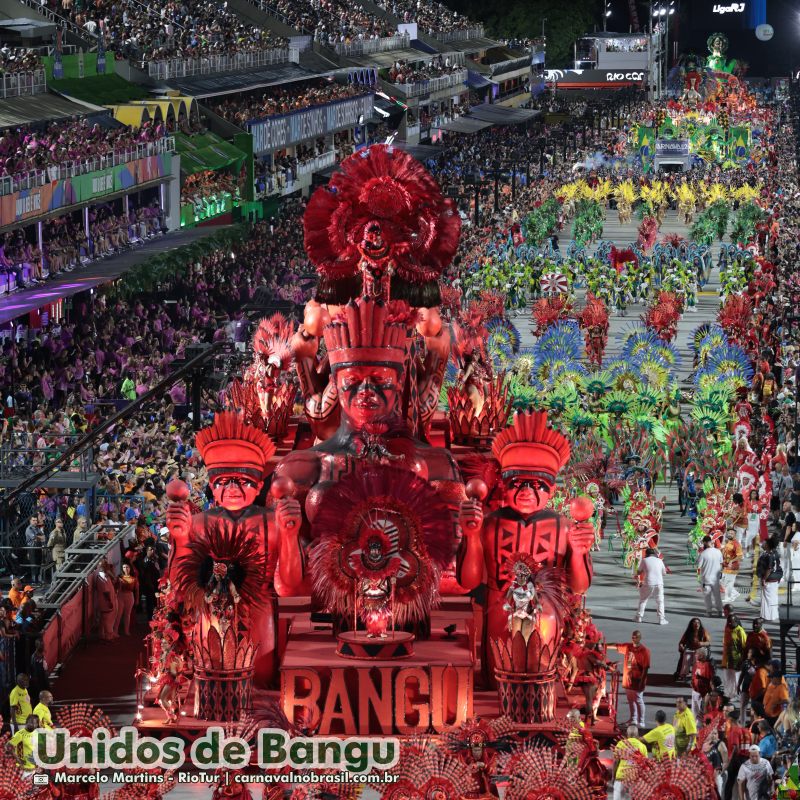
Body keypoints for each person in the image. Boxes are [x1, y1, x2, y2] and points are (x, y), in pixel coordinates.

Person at [608, 630, 650, 728]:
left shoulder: (644, 651)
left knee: (639, 699)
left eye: (636, 637)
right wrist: (604, 645)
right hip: (628, 680)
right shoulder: (628, 647)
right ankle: (633, 719)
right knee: (631, 700)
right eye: (633, 637)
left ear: (640, 638)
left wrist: (642, 681)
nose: (634, 639)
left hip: (637, 680)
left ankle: (641, 720)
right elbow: (616, 646)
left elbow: (646, 668)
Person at [612, 724, 647, 800]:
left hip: (621, 777)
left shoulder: (621, 744)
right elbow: (645, 766)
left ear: (627, 734)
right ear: (637, 735)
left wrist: (613, 776)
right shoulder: (642, 746)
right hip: (634, 778)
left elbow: (615, 762)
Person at [635, 546, 668, 624]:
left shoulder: (644, 560)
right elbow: (664, 573)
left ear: (646, 554)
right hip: (659, 583)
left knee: (643, 600)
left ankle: (639, 617)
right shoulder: (660, 560)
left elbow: (638, 572)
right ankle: (661, 619)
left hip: (648, 583)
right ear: (653, 554)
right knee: (660, 601)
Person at [721, 613, 747, 700]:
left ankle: (738, 694)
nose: (729, 623)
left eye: (731, 622)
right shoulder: (727, 629)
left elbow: (744, 647)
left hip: (737, 659)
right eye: (728, 622)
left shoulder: (740, 631)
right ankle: (729, 694)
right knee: (728, 677)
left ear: (736, 621)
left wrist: (743, 660)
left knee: (737, 677)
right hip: (727, 659)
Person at [756, 537, 781, 622]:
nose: (762, 544)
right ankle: (771, 615)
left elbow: (770, 568)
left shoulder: (769, 554)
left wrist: (764, 579)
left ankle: (768, 616)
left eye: (763, 543)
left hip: (769, 579)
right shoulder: (774, 552)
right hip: (775, 578)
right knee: (772, 597)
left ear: (767, 545)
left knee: (768, 598)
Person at [697, 535, 724, 616]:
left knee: (707, 596)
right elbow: (721, 563)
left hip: (706, 579)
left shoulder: (703, 554)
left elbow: (698, 566)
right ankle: (720, 611)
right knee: (717, 596)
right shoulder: (718, 552)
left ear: (704, 542)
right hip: (716, 579)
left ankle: (709, 612)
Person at [93, 559, 118, 642]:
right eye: (105, 565)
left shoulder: (102, 574)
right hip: (105, 601)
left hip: (104, 600)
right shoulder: (102, 576)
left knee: (103, 619)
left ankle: (102, 635)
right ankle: (108, 637)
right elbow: (105, 591)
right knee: (107, 619)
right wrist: (109, 601)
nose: (107, 566)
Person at [136, 545, 161, 619]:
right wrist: (151, 586)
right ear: (147, 551)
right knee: (150, 603)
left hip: (156, 583)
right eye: (150, 550)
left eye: (153, 550)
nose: (152, 551)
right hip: (149, 586)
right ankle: (150, 618)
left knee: (155, 602)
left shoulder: (155, 560)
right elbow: (145, 575)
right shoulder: (145, 561)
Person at [115, 561, 139, 636]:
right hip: (120, 596)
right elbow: (115, 588)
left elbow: (137, 590)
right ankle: (115, 631)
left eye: (127, 567)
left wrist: (137, 599)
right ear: (122, 568)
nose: (126, 569)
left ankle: (126, 631)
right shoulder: (119, 577)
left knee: (127, 614)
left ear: (130, 568)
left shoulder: (134, 578)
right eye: (124, 567)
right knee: (118, 614)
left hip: (130, 596)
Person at [691, 647, 715, 720]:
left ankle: (701, 729)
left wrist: (707, 695)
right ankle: (694, 728)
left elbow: (710, 681)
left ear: (701, 656)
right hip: (694, 692)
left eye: (697, 654)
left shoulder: (707, 666)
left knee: (701, 713)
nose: (695, 655)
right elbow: (693, 677)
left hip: (702, 694)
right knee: (694, 712)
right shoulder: (696, 664)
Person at [721, 530, 743, 603]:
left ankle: (728, 597)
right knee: (723, 581)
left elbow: (740, 556)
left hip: (733, 566)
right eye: (729, 533)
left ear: (735, 535)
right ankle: (735, 594)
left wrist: (731, 561)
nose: (730, 534)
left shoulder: (736, 544)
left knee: (728, 582)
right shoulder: (728, 542)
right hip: (726, 565)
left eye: (732, 533)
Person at [24, 513, 45, 584]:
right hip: (32, 548)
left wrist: (39, 537)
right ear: (30, 521)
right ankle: (33, 580)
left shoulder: (37, 528)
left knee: (39, 563)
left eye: (36, 520)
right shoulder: (28, 529)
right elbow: (35, 538)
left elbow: (44, 538)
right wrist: (39, 537)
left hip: (38, 547)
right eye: (33, 520)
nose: (35, 522)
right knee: (33, 564)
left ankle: (38, 579)